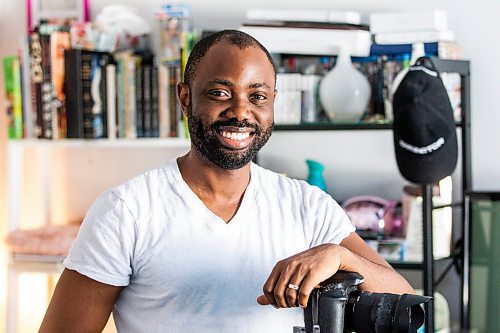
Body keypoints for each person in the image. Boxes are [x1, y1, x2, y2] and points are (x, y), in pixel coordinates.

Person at [39, 30, 413, 333]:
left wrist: (342, 256)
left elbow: (404, 299)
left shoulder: (307, 206)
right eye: (220, 93)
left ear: (272, 104)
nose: (240, 112)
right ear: (185, 98)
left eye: (257, 96)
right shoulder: (127, 211)